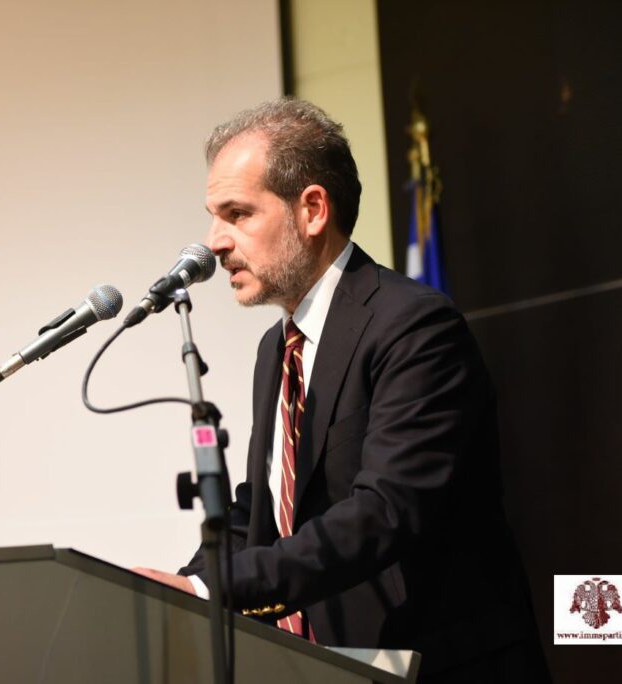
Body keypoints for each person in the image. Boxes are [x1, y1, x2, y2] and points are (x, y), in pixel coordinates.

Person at [133, 99, 550, 682]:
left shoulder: (414, 325)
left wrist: (217, 589)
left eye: (237, 214)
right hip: (328, 665)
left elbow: (384, 510)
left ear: (312, 210)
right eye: (213, 217)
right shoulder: (277, 349)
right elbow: (260, 510)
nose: (214, 242)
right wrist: (180, 589)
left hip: (435, 665)